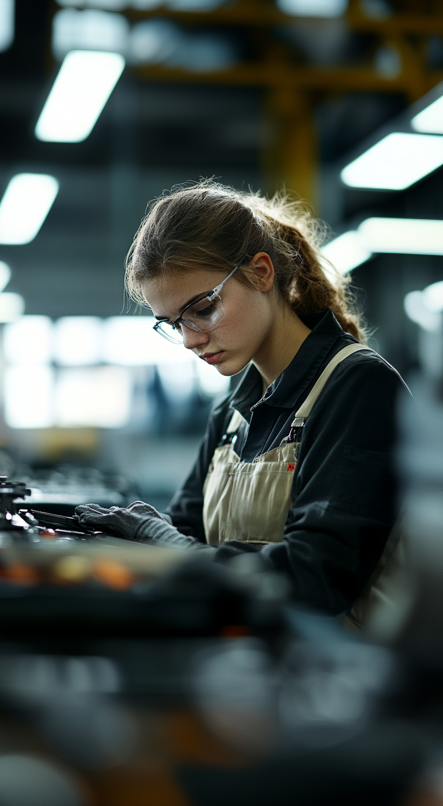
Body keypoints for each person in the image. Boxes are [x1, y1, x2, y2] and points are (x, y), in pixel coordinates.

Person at [76, 182, 407, 618]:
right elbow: (187, 529)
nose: (191, 340)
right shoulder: (234, 410)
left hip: (341, 674)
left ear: (261, 272)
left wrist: (168, 546)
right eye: (173, 324)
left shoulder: (357, 387)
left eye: (204, 308)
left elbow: (315, 577)